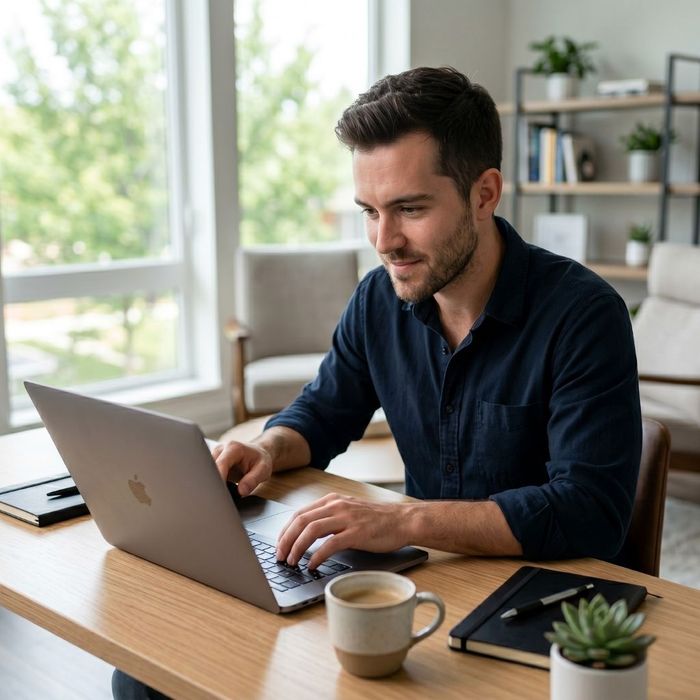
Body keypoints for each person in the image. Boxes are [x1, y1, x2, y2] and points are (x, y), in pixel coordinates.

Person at [112, 65, 641, 698]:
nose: (385, 241)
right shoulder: (379, 300)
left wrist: (408, 522)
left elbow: (591, 512)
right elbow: (326, 409)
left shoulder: (584, 315)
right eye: (369, 211)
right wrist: (269, 446)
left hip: (536, 609)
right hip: (420, 585)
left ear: (484, 193)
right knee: (145, 677)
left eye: (410, 209)